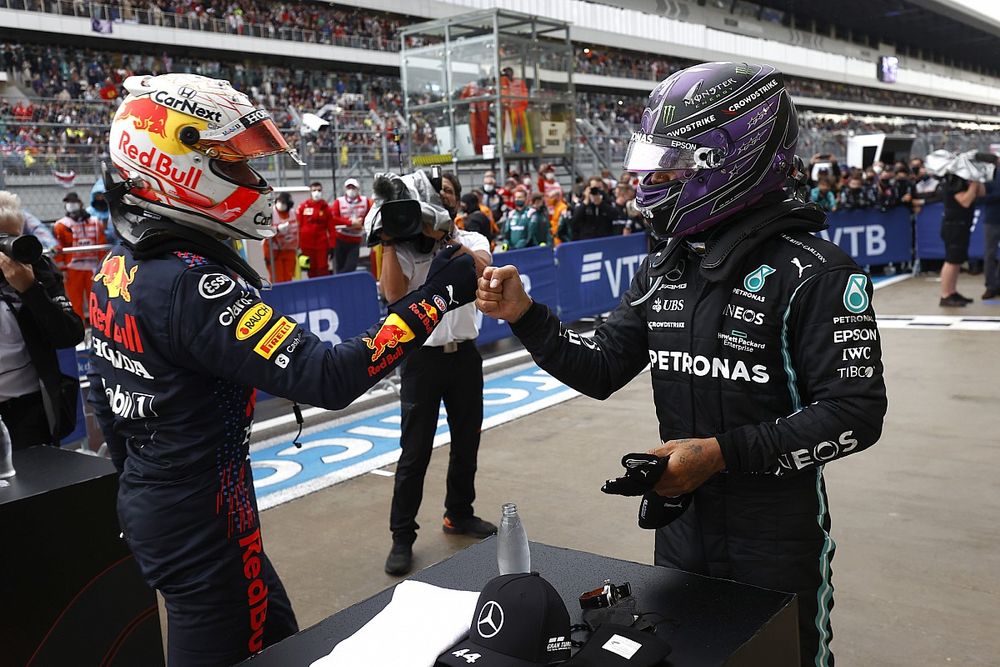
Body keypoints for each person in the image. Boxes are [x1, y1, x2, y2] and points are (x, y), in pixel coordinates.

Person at [476, 62, 887, 667]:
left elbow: (856, 414)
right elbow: (600, 369)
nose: (650, 179)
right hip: (680, 527)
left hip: (774, 536)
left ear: (733, 159)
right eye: (650, 161)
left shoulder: (817, 272)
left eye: (671, 163)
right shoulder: (663, 267)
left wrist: (720, 453)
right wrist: (527, 316)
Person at [88, 73, 477, 667]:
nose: (258, 181)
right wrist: (439, 295)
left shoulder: (118, 264)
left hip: (169, 502)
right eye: (237, 165)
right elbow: (331, 376)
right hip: (203, 518)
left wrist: (138, 491)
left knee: (283, 639)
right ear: (176, 167)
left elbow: (102, 397)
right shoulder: (194, 286)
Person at [377, 170, 495, 577]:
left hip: (464, 356)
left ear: (456, 203)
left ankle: (458, 514)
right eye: (434, 193)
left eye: (447, 192)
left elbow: (484, 272)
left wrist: (449, 237)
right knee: (414, 451)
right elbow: (393, 295)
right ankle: (401, 536)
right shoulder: (407, 245)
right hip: (421, 361)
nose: (440, 197)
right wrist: (389, 239)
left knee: (467, 442)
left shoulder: (472, 240)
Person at [0, 191, 84, 449]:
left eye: (13, 239)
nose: (9, 251)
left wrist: (30, 290)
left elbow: (70, 334)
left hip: (31, 409)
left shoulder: (37, 267)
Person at [53, 191, 107, 321]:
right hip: (72, 269)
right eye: (68, 203)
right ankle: (80, 328)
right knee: (75, 302)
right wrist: (63, 270)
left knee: (96, 301)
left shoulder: (95, 222)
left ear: (81, 203)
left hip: (93, 268)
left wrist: (102, 267)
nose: (71, 205)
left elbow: (101, 244)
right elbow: (58, 249)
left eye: (73, 202)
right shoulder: (61, 225)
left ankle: (97, 327)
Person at [938, 174, 985, 306]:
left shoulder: (964, 180)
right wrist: (974, 185)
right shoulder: (953, 180)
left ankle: (952, 291)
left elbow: (982, 193)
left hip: (963, 224)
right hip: (953, 225)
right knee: (951, 260)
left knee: (957, 260)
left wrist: (977, 181)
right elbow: (965, 201)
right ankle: (945, 294)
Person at [330, 177, 370, 273]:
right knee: (339, 266)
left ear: (358, 189)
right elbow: (333, 218)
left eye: (353, 187)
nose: (351, 190)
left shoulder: (365, 201)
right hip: (340, 239)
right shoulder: (339, 202)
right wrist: (350, 222)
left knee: (351, 266)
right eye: (349, 188)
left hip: (355, 240)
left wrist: (361, 222)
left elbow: (370, 216)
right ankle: (339, 283)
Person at [296, 181, 335, 277]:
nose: (316, 192)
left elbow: (331, 228)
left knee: (323, 268)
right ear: (310, 192)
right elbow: (298, 226)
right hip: (306, 245)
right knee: (310, 269)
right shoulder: (303, 207)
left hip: (321, 245)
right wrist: (298, 245)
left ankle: (324, 290)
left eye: (319, 190)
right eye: (314, 190)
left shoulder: (326, 208)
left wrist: (332, 245)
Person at [265, 191, 298, 283]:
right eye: (280, 201)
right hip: (273, 251)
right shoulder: (270, 213)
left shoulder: (293, 213)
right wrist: (277, 229)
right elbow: (264, 229)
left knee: (288, 277)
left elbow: (298, 230)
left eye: (284, 202)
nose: (281, 204)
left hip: (289, 249)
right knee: (277, 278)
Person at [981, 166, 1000, 300]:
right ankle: (990, 286)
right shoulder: (988, 173)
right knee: (990, 254)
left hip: (992, 216)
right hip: (992, 218)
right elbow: (980, 196)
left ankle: (997, 284)